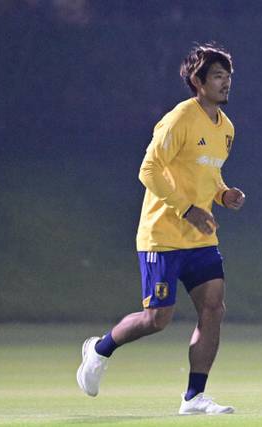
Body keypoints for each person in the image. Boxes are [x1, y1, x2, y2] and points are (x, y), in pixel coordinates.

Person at [76, 43, 245, 415]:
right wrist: (187, 209)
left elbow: (208, 173)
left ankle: (194, 397)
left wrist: (223, 194)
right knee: (157, 319)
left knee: (213, 309)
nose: (226, 83)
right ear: (198, 81)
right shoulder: (179, 118)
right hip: (162, 236)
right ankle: (99, 349)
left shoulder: (227, 128)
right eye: (218, 76)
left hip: (201, 237)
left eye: (228, 76)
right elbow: (148, 170)